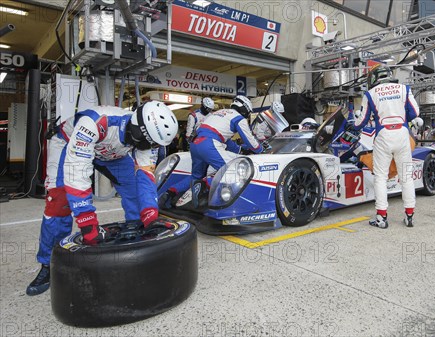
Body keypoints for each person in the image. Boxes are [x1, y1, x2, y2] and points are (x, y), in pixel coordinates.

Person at [26, 101, 178, 296]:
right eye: (151, 143)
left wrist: (151, 214)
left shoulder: (144, 137)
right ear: (140, 132)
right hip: (68, 145)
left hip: (112, 153)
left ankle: (139, 244)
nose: (152, 148)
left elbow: (146, 177)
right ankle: (49, 264)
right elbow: (77, 174)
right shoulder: (96, 121)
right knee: (59, 203)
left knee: (137, 196)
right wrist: (87, 222)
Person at [161, 95, 263, 207]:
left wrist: (240, 149)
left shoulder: (218, 113)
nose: (247, 115)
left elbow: (225, 140)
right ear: (244, 108)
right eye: (248, 112)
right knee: (232, 169)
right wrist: (260, 150)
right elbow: (250, 140)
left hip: (196, 144)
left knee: (195, 176)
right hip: (209, 144)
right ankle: (204, 190)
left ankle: (170, 192)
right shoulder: (239, 118)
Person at [352, 64, 419, 229]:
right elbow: (415, 112)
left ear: (375, 78)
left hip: (383, 136)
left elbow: (360, 122)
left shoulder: (370, 93)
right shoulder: (404, 88)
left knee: (380, 177)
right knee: (406, 178)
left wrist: (355, 121)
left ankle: (381, 218)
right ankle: (409, 215)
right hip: (402, 135)